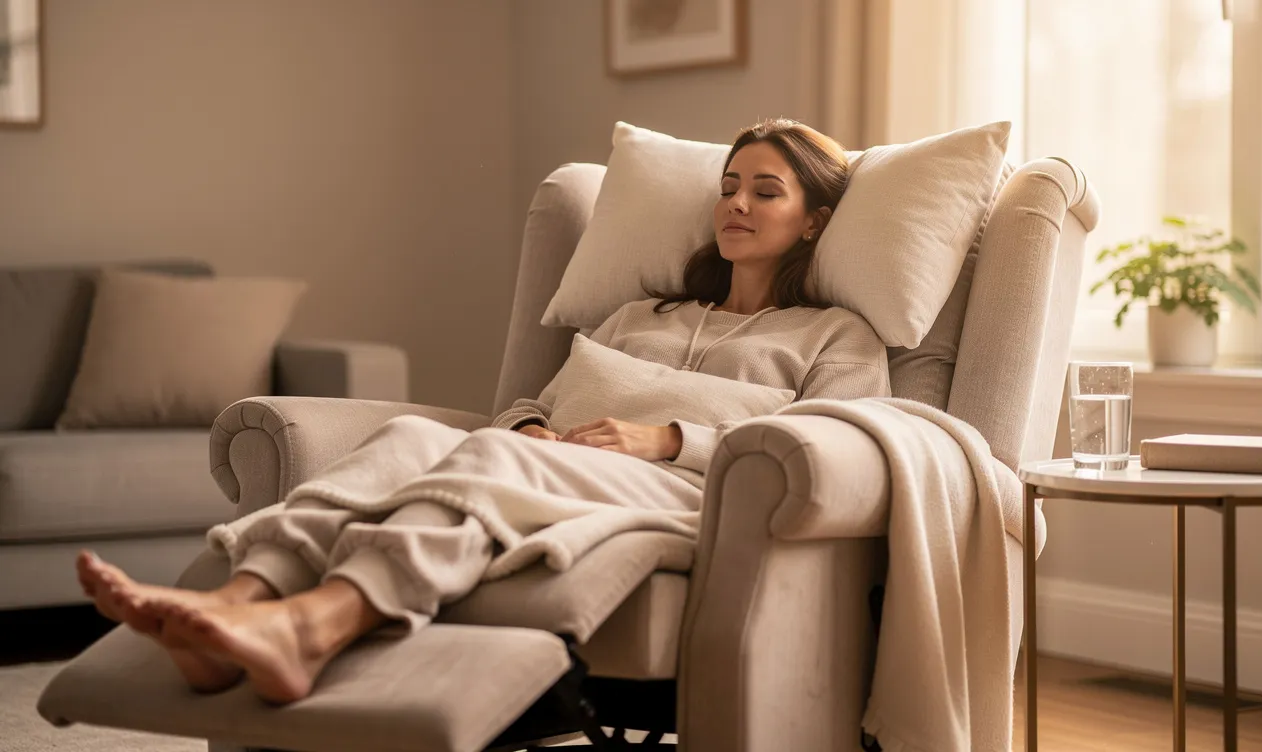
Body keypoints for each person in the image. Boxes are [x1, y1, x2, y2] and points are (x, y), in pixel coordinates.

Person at [74, 118, 892, 705]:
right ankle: (240, 597)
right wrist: (529, 428)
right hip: (558, 466)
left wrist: (670, 438)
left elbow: (839, 450)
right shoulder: (639, 315)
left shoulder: (836, 333)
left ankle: (313, 628)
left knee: (497, 458)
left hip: (690, 496)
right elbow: (537, 404)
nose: (735, 205)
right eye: (727, 187)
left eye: (765, 190)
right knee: (413, 436)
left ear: (814, 220)